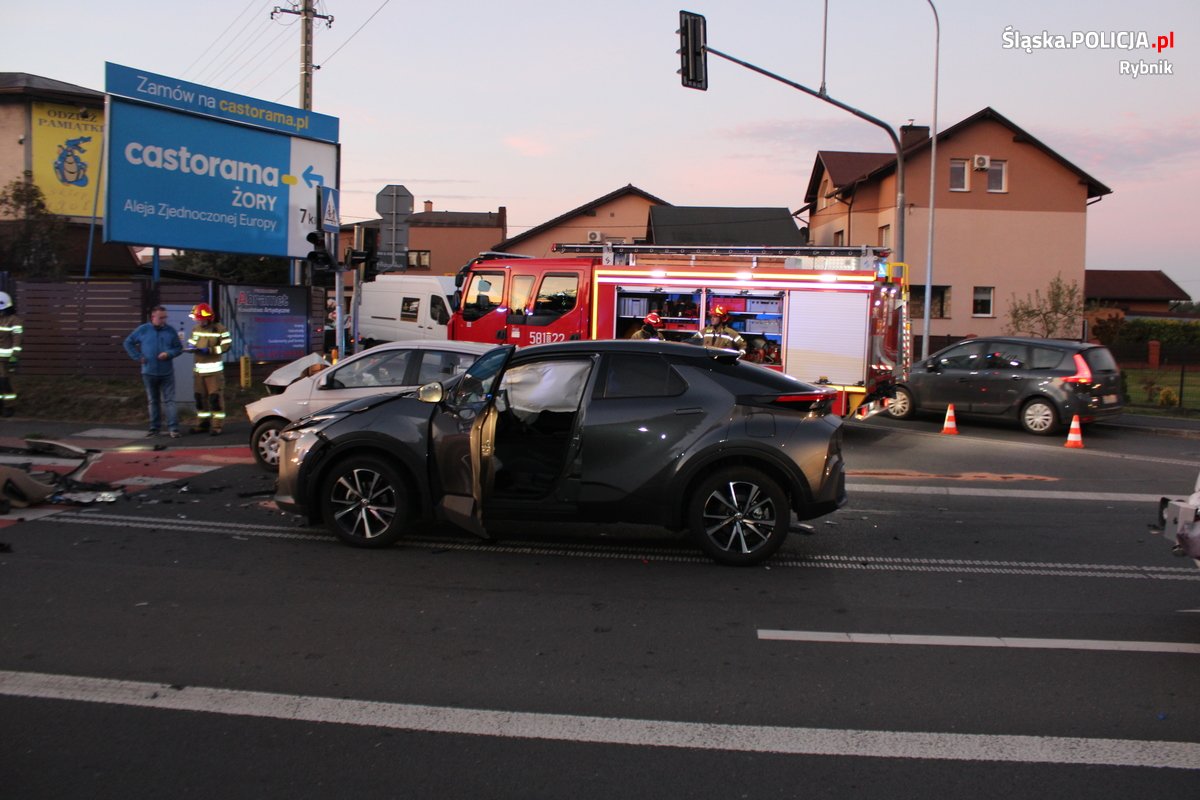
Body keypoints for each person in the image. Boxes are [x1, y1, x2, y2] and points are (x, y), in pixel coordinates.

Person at [123, 305, 183, 438]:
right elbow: (128, 342)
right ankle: (154, 428)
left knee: (169, 401)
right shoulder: (143, 330)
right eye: (161, 318)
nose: (163, 320)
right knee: (153, 401)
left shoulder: (170, 331)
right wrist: (138, 357)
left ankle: (173, 428)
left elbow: (178, 348)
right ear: (153, 317)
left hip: (166, 372)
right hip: (149, 371)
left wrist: (168, 353)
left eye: (165, 317)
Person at [187, 302, 232, 435]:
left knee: (215, 399)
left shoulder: (220, 329)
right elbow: (192, 342)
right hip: (199, 372)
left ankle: (217, 426)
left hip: (214, 373)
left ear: (208, 317)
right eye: (197, 319)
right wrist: (190, 348)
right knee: (200, 399)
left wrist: (210, 350)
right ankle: (202, 424)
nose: (199, 321)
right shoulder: (196, 329)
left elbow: (226, 346)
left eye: (200, 318)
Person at [0, 292, 23, 417]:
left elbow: (17, 339)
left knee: (5, 382)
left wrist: (14, 356)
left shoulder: (15, 320)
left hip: (6, 359)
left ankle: (9, 407)